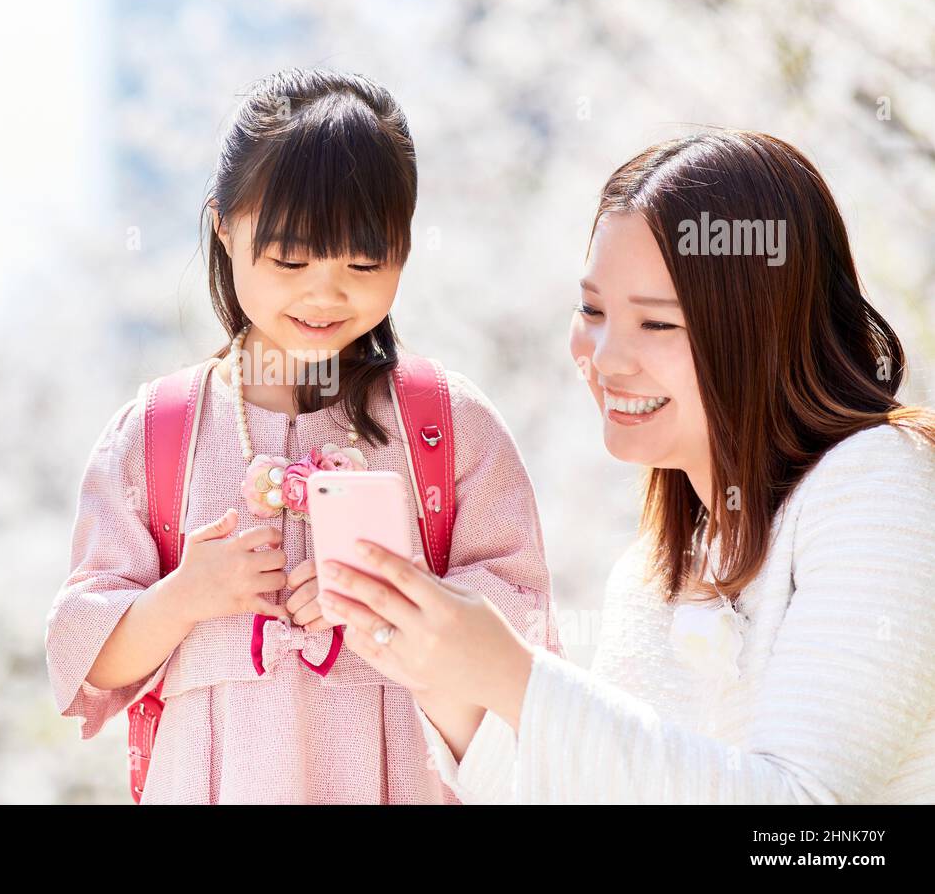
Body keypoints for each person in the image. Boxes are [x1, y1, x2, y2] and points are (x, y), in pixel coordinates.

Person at [320, 130, 935, 803]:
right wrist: (446, 678)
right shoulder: (649, 576)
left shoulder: (879, 484)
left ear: (763, 327)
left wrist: (512, 677)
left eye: (658, 324)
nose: (605, 358)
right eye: (592, 310)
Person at [43, 68, 563, 804]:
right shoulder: (156, 435)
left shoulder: (448, 427)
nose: (325, 294)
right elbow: (85, 657)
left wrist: (402, 601)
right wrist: (185, 597)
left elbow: (526, 639)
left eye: (363, 262)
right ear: (223, 224)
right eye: (290, 260)